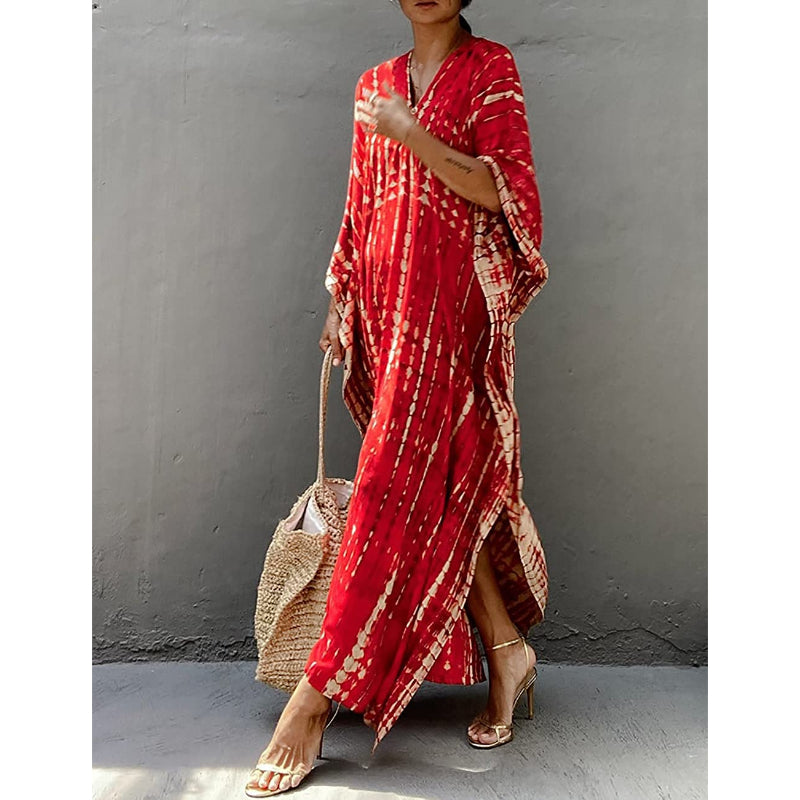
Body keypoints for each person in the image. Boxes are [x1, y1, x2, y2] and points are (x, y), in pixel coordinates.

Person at [246, 0, 550, 795]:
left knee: (389, 487)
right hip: (388, 313)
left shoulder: (490, 71)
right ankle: (507, 649)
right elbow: (362, 206)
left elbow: (506, 195)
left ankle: (314, 699)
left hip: (454, 313)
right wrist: (340, 301)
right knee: (440, 485)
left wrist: (412, 134)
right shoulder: (372, 84)